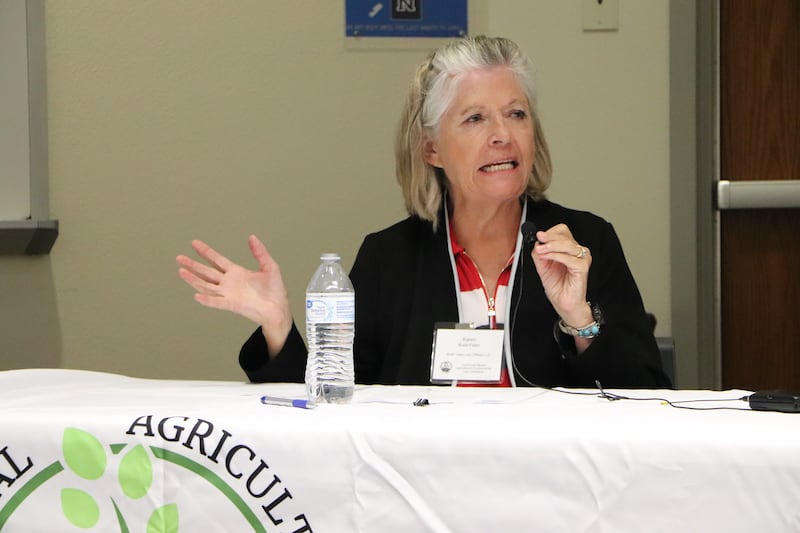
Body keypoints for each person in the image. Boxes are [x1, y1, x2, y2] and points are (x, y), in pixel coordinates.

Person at [177, 35, 671, 389]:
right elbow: (333, 407)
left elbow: (647, 397)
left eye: (516, 114)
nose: (502, 133)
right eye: (475, 118)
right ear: (432, 148)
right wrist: (279, 328)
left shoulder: (586, 240)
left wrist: (580, 320)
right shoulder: (390, 257)